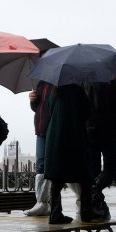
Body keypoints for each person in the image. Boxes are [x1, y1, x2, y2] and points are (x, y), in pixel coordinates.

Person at [43, 84, 99, 224]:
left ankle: (55, 213)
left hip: (55, 137)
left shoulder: (53, 91)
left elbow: (49, 110)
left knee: (57, 178)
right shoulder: (77, 90)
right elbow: (86, 112)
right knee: (85, 176)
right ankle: (86, 212)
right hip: (73, 135)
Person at [87, 79, 116, 219]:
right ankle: (95, 194)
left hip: (90, 131)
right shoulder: (111, 81)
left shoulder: (83, 80)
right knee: (110, 168)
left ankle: (94, 201)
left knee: (94, 169)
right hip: (108, 130)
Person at [24, 79, 55, 216]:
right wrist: (32, 100)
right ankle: (41, 203)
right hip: (40, 130)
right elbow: (37, 108)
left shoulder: (58, 83)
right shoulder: (40, 84)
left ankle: (80, 200)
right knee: (41, 166)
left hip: (54, 129)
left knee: (52, 166)